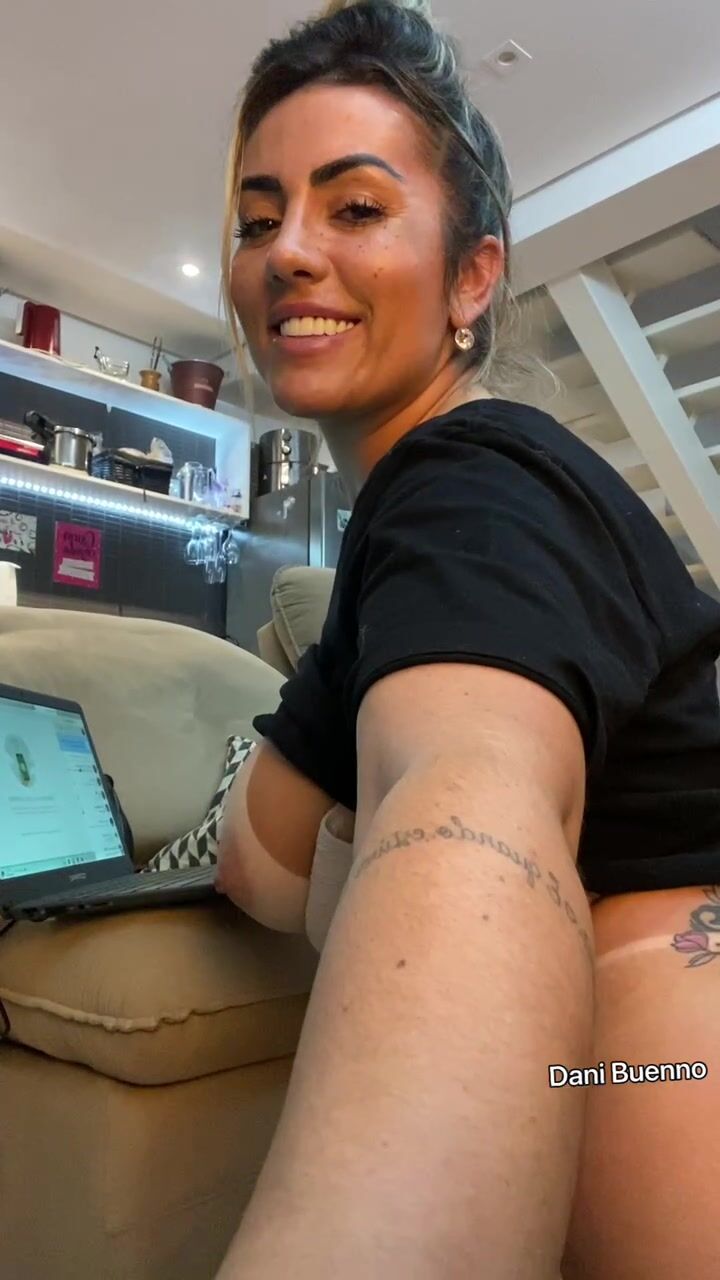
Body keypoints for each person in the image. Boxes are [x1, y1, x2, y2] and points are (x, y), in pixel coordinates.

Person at [214, 2, 720, 1276]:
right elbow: (260, 865)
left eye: (355, 206)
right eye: (260, 218)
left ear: (473, 277)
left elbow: (470, 798)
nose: (289, 251)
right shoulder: (415, 537)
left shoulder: (472, 490)